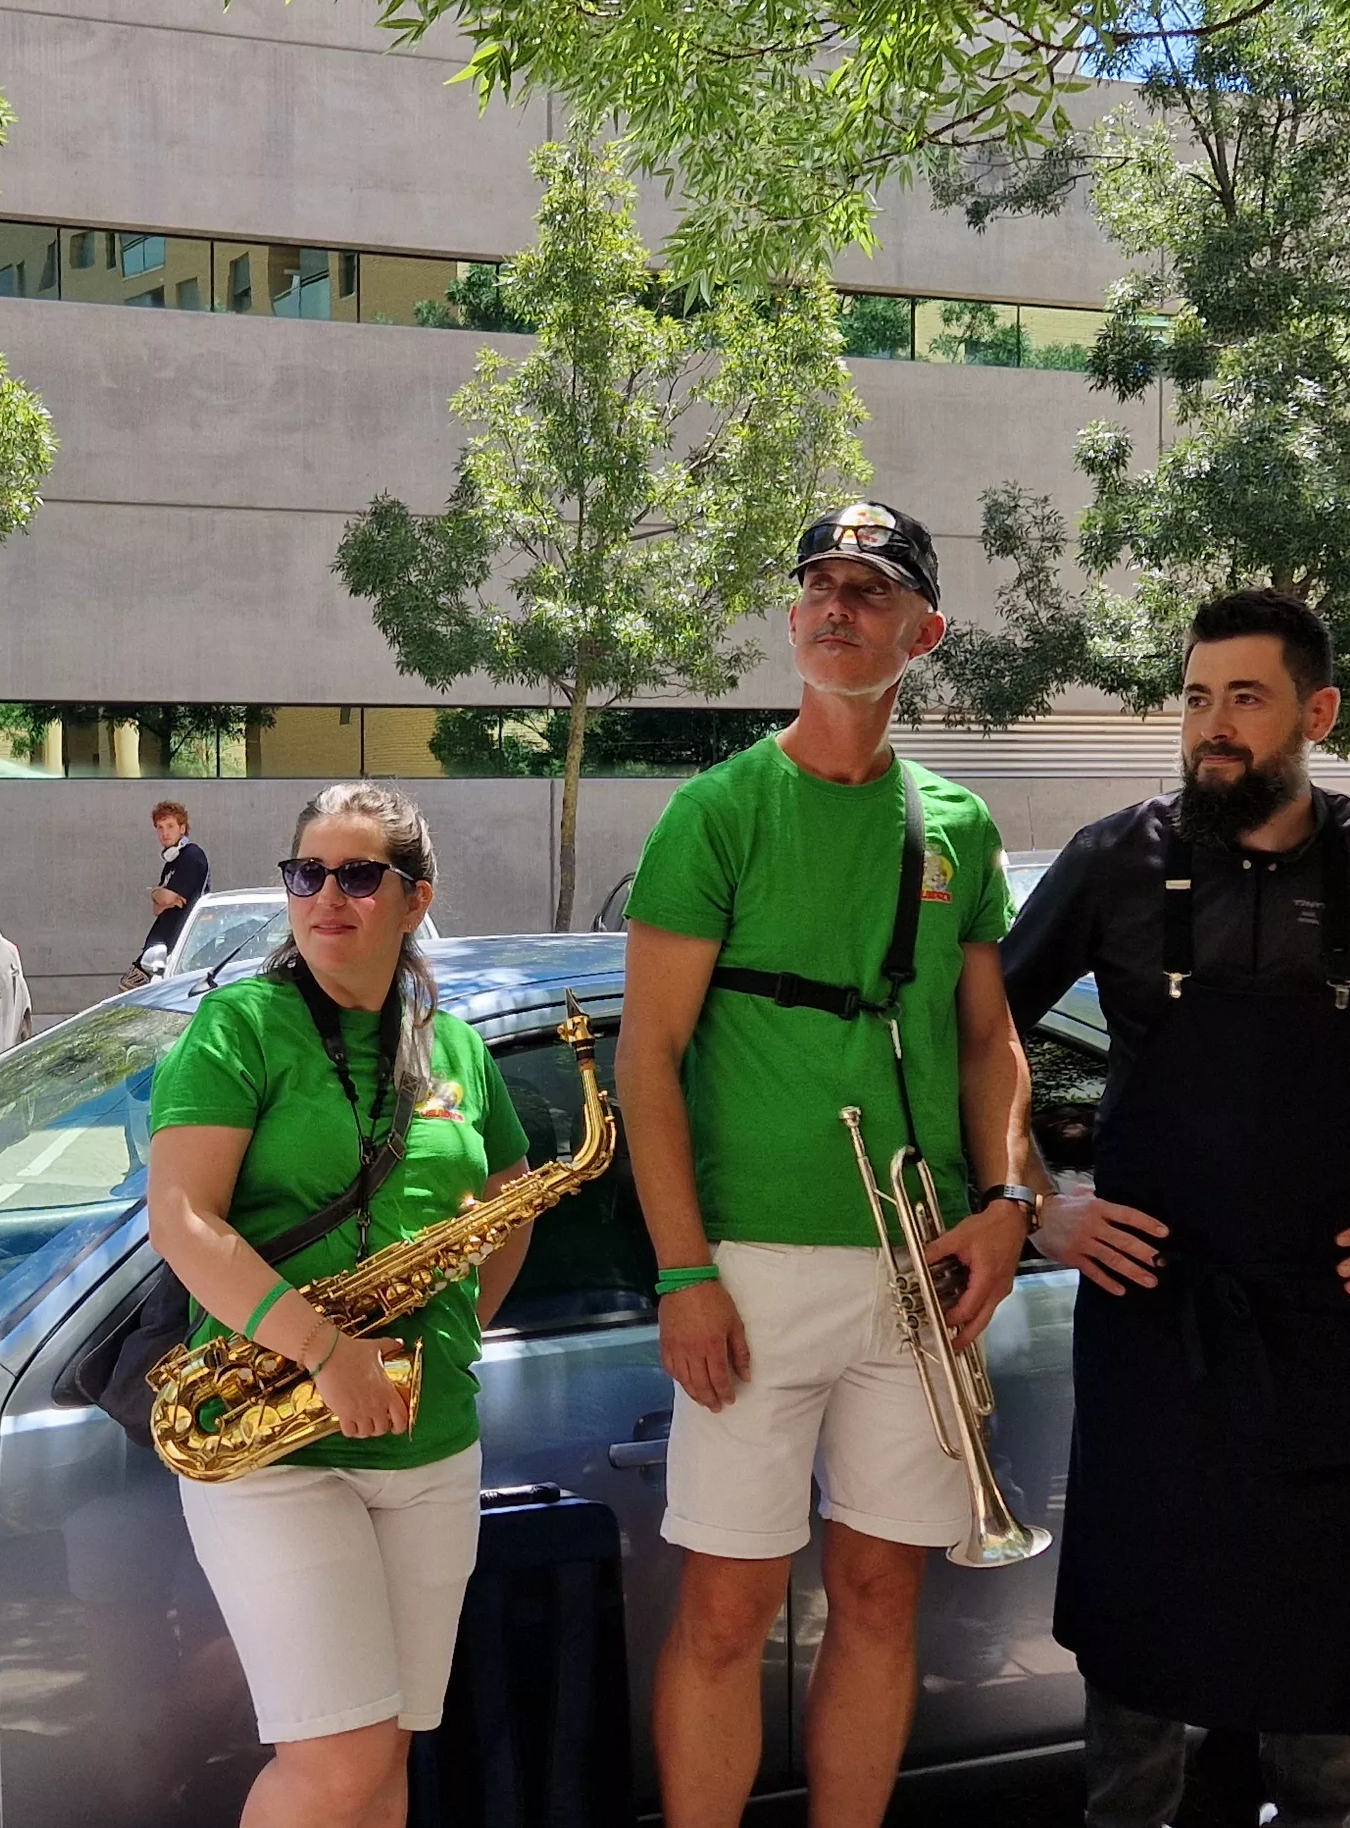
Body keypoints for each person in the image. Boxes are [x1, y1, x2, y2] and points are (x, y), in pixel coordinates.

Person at [998, 589, 1350, 1827]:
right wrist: (1040, 1203)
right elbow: (987, 1036)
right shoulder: (1109, 856)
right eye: (1195, 698)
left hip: (1326, 1313)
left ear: (1315, 711)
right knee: (1135, 1652)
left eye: (1244, 697)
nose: (1212, 726)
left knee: (1319, 1651)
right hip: (1149, 1307)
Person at [618, 501, 1032, 1828]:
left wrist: (1009, 1202)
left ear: (926, 629)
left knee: (879, 1595)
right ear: (793, 612)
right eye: (821, 585)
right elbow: (649, 1059)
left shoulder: (954, 821)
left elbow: (989, 1042)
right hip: (749, 1272)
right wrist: (683, 1267)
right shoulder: (717, 811)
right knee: (730, 1607)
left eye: (872, 588)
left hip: (914, 1276)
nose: (839, 607)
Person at [143, 782, 535, 1828]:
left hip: (431, 1439)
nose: (327, 896)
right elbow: (181, 1217)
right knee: (338, 1758)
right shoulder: (243, 1025)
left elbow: (507, 1201)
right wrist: (326, 1351)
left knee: (386, 1758)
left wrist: (450, 1326)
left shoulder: (448, 1043)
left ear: (414, 900)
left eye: (359, 875)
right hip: (277, 1439)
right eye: (306, 873)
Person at [133, 799, 212, 985]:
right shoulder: (171, 863)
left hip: (177, 945)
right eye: (160, 828)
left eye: (170, 826)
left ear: (182, 828)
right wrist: (156, 894)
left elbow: (166, 898)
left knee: (133, 989)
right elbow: (157, 908)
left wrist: (161, 895)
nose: (164, 832)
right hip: (159, 945)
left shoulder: (192, 857)